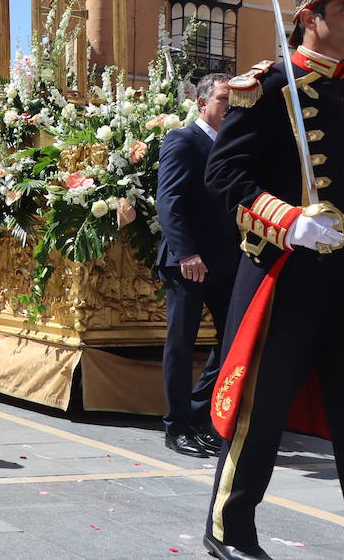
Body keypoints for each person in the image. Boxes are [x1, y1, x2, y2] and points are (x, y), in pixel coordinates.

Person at [202, 0, 344, 560]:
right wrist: (285, 219)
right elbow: (224, 177)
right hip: (289, 273)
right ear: (309, 16)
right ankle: (231, 527)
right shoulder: (271, 87)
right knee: (261, 413)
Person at [153, 72, 238, 459]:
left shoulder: (234, 146)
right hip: (186, 262)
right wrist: (187, 253)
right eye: (223, 99)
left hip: (227, 261)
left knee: (234, 338)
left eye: (234, 100)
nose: (230, 106)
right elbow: (169, 201)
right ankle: (177, 426)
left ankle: (201, 415)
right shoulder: (182, 140)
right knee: (181, 344)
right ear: (203, 103)